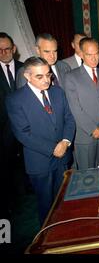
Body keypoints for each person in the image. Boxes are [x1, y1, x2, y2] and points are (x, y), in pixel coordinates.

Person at [6, 57, 75, 224]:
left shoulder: (58, 92)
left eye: (48, 75)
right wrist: (53, 148)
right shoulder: (15, 99)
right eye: (40, 76)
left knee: (64, 201)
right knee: (46, 206)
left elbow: (69, 119)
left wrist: (65, 142)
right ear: (27, 76)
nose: (46, 80)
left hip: (63, 157)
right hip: (39, 162)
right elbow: (23, 133)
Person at [64, 37, 99, 170]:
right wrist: (93, 129)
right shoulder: (71, 77)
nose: (93, 58)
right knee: (87, 176)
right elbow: (75, 108)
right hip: (85, 136)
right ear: (81, 54)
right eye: (88, 54)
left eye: (96, 53)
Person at [0, 32, 24, 217]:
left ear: (14, 49)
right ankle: (9, 202)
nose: (3, 53)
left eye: (7, 49)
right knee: (6, 167)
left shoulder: (25, 69)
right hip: (3, 130)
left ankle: (27, 193)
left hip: (26, 127)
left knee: (25, 164)